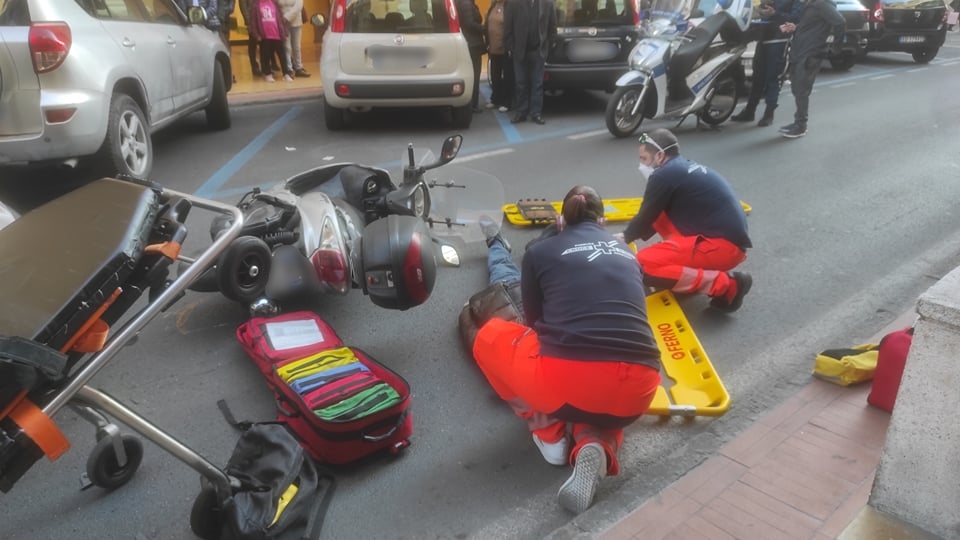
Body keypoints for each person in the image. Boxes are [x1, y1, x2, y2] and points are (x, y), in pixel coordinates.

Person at [470, 186, 663, 514]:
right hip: (639, 390)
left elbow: (534, 322)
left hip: (570, 382)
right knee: (604, 403)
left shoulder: (540, 252)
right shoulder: (627, 252)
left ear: (560, 221)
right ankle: (596, 444)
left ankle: (550, 435)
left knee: (489, 338)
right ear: (602, 222)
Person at [620, 128, 753, 312]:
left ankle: (727, 285)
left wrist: (623, 238)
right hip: (725, 242)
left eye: (644, 159)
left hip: (722, 248)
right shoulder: (681, 167)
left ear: (659, 155)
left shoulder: (663, 175)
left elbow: (645, 216)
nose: (641, 165)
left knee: (641, 266)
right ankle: (682, 265)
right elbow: (651, 213)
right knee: (659, 210)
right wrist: (631, 234)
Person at [776, 0, 844, 138]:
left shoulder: (822, 4)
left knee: (801, 90)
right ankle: (798, 122)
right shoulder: (811, 5)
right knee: (797, 88)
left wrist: (836, 48)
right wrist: (796, 27)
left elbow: (840, 22)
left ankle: (801, 125)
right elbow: (812, 26)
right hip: (800, 52)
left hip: (809, 54)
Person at [731, 0, 801, 126]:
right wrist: (759, 9)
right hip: (763, 37)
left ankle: (769, 114)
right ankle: (750, 111)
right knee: (757, 77)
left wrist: (775, 13)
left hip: (779, 40)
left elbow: (795, 18)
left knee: (773, 78)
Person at [503, 0, 557, 124]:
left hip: (538, 51)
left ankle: (536, 113)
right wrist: (512, 48)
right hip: (519, 51)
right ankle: (521, 112)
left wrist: (546, 48)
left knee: (537, 84)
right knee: (520, 83)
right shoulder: (513, 3)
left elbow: (552, 28)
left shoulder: (547, 3)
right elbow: (507, 28)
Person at [248, 0, 293, 82]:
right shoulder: (255, 5)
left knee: (282, 55)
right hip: (264, 35)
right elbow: (253, 21)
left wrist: (283, 31)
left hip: (276, 34)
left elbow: (279, 18)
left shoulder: (274, 3)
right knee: (265, 55)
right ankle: (267, 73)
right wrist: (256, 34)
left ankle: (286, 73)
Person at [484, 0, 515, 112]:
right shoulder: (493, 6)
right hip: (493, 49)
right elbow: (487, 25)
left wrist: (510, 45)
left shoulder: (510, 6)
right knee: (495, 76)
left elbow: (512, 27)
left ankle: (506, 102)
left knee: (507, 77)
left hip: (505, 49)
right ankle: (495, 99)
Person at [456, 0, 487, 112]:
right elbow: (469, 24)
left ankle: (471, 103)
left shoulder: (463, 3)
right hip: (473, 44)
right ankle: (473, 104)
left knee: (471, 74)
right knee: (475, 74)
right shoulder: (466, 3)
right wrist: (484, 28)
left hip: (469, 43)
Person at [278, 0, 311, 78]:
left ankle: (298, 68)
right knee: (286, 47)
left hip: (296, 21)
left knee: (297, 47)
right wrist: (281, 18)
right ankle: (289, 69)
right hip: (283, 23)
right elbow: (275, 5)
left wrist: (287, 17)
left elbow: (298, 6)